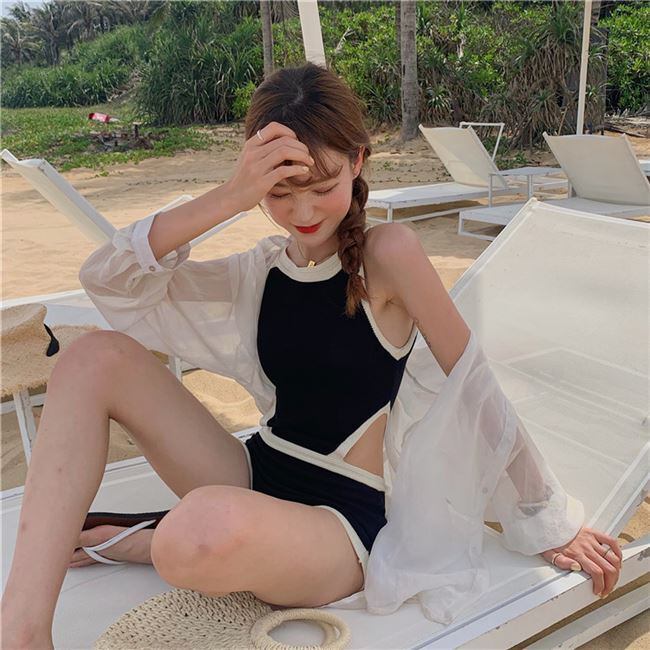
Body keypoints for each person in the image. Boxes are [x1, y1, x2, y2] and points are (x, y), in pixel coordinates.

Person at [1, 63, 621, 648]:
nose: (302, 213)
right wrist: (232, 195)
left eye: (322, 188)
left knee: (193, 533)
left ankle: (145, 539)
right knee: (93, 356)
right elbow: (107, 279)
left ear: (358, 161)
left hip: (341, 521)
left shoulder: (388, 255)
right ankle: (22, 633)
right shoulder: (260, 272)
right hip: (256, 472)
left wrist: (547, 519)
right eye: (279, 193)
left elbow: (473, 383)